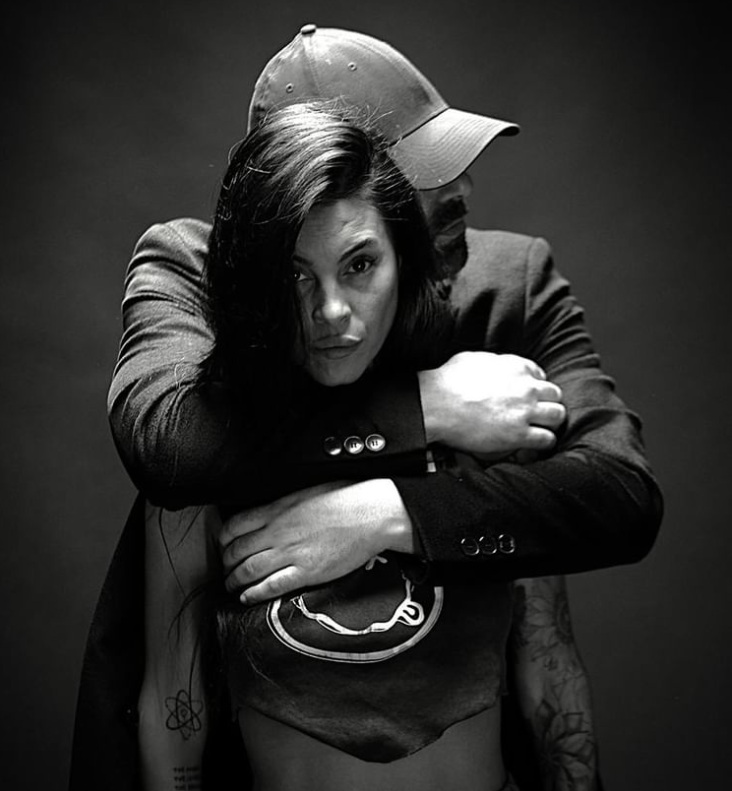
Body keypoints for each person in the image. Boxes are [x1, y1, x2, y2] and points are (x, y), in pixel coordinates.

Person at [69, 25, 660, 791]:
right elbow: (169, 449)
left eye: (361, 264)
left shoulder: (508, 284)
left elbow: (619, 501)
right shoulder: (193, 273)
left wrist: (387, 512)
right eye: (426, 169)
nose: (462, 189)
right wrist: (427, 407)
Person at [138, 100, 581, 791]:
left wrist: (388, 509)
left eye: (360, 264)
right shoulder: (207, 460)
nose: (332, 312)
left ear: (403, 260)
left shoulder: (484, 427)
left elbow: (548, 667)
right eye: (295, 274)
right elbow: (174, 709)